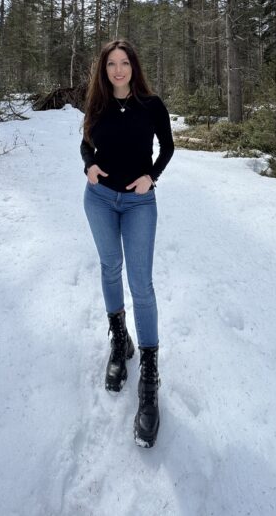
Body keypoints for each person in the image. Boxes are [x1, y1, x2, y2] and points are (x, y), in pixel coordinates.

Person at [80, 39, 174, 448]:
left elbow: (167, 146)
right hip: (99, 199)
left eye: (124, 63)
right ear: (104, 70)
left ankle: (149, 376)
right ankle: (121, 341)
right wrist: (89, 165)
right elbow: (87, 141)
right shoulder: (97, 104)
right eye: (111, 64)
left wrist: (152, 175)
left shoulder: (152, 105)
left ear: (134, 67)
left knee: (142, 284)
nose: (118, 70)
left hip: (138, 203)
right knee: (108, 269)